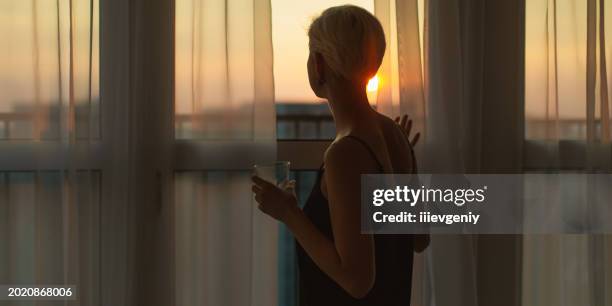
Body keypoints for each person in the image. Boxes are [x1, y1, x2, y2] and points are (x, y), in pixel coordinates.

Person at [251, 5, 428, 305]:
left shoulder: (345, 153)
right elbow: (419, 239)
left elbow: (357, 281)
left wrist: (289, 214)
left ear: (319, 64)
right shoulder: (395, 136)